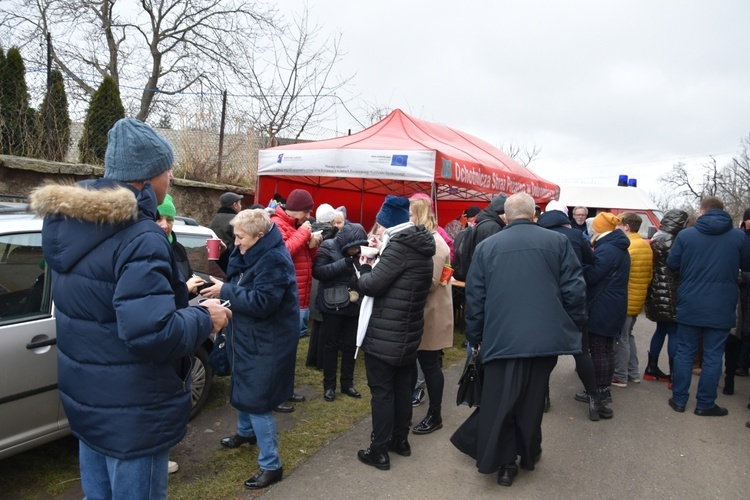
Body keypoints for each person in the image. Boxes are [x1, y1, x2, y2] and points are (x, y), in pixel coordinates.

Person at [30, 117, 230, 499]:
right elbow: (151, 333)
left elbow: (111, 311)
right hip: (134, 409)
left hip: (91, 401)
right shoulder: (140, 237)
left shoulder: (69, 226)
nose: (170, 178)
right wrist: (205, 316)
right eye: (166, 171)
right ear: (144, 178)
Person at [450, 193, 586, 487]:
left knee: (503, 399)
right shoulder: (559, 242)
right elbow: (574, 290)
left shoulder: (487, 247)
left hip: (501, 338)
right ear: (534, 214)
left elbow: (476, 299)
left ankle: (508, 462)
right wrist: (572, 324)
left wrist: (475, 337)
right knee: (532, 399)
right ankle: (527, 453)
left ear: (506, 217)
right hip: (544, 339)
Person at [202, 209, 297, 489]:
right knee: (241, 381)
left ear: (259, 235)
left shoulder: (275, 260)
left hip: (268, 339)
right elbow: (242, 283)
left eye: (241, 237)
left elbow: (264, 303)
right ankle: (245, 433)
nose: (237, 242)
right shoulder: (249, 250)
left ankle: (271, 464)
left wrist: (225, 291)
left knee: (257, 400)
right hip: (246, 333)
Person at [355, 195, 435, 471]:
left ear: (387, 222)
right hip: (408, 331)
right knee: (402, 389)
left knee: (383, 392)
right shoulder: (420, 244)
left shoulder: (399, 248)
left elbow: (373, 285)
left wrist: (364, 266)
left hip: (387, 333)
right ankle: (400, 440)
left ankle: (378, 451)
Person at [667, 196, 750, 416]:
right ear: (722, 212)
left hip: (690, 301)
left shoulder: (686, 235)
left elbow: (672, 264)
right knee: (714, 355)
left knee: (685, 352)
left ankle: (679, 400)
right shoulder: (738, 236)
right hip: (722, 304)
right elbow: (747, 264)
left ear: (701, 211)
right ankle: (705, 404)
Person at [538, 202, 611, 420]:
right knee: (581, 351)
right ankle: (594, 400)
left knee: (545, 354)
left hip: (548, 301)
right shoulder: (576, 236)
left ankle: (543, 398)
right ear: (565, 217)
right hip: (575, 297)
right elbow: (591, 260)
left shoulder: (538, 236)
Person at [270, 188, 321, 412]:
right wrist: (303, 234)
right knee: (279, 350)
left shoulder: (295, 226)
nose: (308, 218)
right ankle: (274, 395)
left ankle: (286, 390)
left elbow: (306, 257)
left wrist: (312, 243)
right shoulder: (276, 224)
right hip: (285, 298)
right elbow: (283, 252)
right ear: (298, 210)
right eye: (307, 213)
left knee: (290, 349)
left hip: (298, 295)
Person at [408, 197, 454, 435]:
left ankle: (435, 414)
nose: (409, 219)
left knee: (430, 365)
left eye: (412, 214)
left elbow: (432, 282)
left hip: (432, 313)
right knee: (426, 363)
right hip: (428, 311)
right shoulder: (431, 240)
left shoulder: (435, 243)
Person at [575, 212, 630, 406]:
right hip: (612, 303)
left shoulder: (607, 249)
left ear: (598, 229)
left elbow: (593, 276)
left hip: (603, 305)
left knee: (599, 349)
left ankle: (599, 391)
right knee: (605, 349)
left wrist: (580, 266)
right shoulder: (616, 246)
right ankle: (603, 390)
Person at [313, 222, 369, 401]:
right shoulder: (327, 247)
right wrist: (344, 264)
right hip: (333, 304)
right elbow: (318, 272)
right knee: (331, 345)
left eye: (359, 247)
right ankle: (329, 386)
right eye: (353, 247)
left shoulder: (361, 252)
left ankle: (347, 384)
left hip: (354, 303)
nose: (356, 250)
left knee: (350, 345)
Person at [643, 209, 690, 384]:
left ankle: (651, 367)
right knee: (674, 332)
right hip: (673, 293)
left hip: (656, 292)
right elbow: (678, 266)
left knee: (660, 330)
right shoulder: (676, 241)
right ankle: (674, 375)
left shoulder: (655, 238)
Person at [612, 212, 653, 387]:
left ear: (626, 227)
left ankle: (620, 375)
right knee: (628, 336)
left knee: (621, 339)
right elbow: (649, 275)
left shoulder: (629, 247)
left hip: (626, 298)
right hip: (638, 298)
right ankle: (633, 372)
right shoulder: (645, 246)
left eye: (619, 225)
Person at [157, 194, 206, 298]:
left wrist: (196, 286)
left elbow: (188, 278)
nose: (165, 225)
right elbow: (153, 299)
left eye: (169, 220)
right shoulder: (143, 250)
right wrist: (185, 288)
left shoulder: (179, 249)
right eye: (159, 219)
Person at [209, 192, 243, 273]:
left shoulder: (214, 220)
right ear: (235, 205)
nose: (241, 206)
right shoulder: (236, 220)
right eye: (240, 203)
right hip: (230, 262)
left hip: (214, 264)